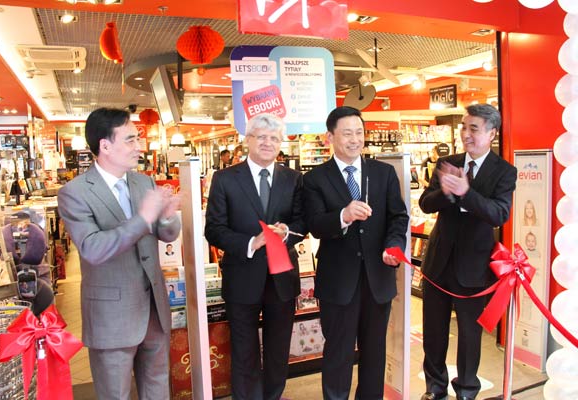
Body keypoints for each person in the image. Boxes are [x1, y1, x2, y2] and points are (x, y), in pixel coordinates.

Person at [57, 107, 181, 400]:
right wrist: (143, 217)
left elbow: (167, 234)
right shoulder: (75, 192)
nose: (139, 147)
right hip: (112, 314)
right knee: (115, 393)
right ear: (105, 145)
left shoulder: (143, 182)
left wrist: (167, 215)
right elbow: (93, 249)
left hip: (153, 308)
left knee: (158, 388)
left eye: (137, 139)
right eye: (130, 140)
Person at [303, 106, 409, 400]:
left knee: (375, 352)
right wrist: (343, 216)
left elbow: (398, 217)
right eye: (347, 133)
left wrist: (394, 245)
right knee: (337, 352)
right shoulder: (315, 179)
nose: (355, 139)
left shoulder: (383, 173)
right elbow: (314, 225)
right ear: (330, 137)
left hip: (378, 279)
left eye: (359, 132)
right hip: (338, 281)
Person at [205, 113, 307, 400]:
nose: (267, 143)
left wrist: (288, 231)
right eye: (261, 136)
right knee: (244, 348)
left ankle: (273, 395)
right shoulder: (225, 179)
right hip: (242, 275)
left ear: (281, 143)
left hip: (282, 277)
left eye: (274, 138)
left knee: (277, 349)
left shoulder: (294, 179)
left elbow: (303, 222)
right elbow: (214, 229)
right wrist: (251, 242)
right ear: (247, 139)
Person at [419, 104, 517, 400]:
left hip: (474, 269)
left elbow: (499, 214)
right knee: (434, 333)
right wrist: (447, 192)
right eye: (464, 127)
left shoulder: (504, 171)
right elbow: (425, 203)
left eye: (473, 128)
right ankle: (435, 388)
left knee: (469, 336)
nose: (466, 134)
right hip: (438, 264)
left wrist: (466, 193)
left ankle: (466, 390)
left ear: (491, 133)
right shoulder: (447, 162)